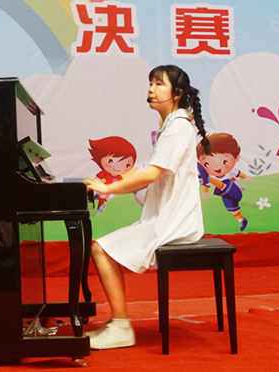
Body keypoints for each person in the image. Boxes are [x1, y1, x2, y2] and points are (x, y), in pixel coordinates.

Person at [83, 65, 209, 350]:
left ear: (177, 93)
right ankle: (118, 323)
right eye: (150, 83)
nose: (151, 89)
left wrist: (107, 188)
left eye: (159, 84)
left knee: (100, 249)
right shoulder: (171, 126)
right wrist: (114, 181)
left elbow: (151, 174)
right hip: (167, 215)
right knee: (102, 248)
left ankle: (121, 327)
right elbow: (149, 174)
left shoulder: (178, 126)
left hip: (175, 221)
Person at [197, 133, 252, 231]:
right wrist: (205, 192)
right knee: (233, 210)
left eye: (224, 162)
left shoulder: (229, 173)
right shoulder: (209, 176)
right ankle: (242, 220)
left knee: (223, 182)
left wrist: (245, 177)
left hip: (234, 190)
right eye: (206, 164)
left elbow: (238, 174)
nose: (216, 167)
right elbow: (207, 184)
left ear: (236, 158)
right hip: (225, 195)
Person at [87, 136, 137, 214]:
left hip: (110, 191)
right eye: (110, 161)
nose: (118, 167)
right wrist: (96, 182)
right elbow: (96, 178)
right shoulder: (104, 172)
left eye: (127, 165)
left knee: (105, 197)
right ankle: (97, 202)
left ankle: (100, 205)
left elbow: (122, 185)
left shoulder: (119, 177)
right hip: (101, 188)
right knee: (100, 195)